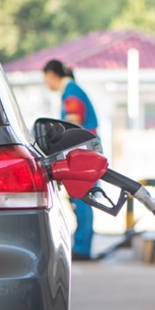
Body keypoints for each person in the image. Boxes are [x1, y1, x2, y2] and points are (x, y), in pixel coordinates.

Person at [44, 59, 99, 261]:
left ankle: (83, 247)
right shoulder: (72, 91)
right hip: (83, 149)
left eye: (46, 79)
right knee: (81, 197)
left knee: (82, 197)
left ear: (51, 75)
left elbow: (71, 124)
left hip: (81, 151)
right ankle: (82, 244)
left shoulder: (71, 93)